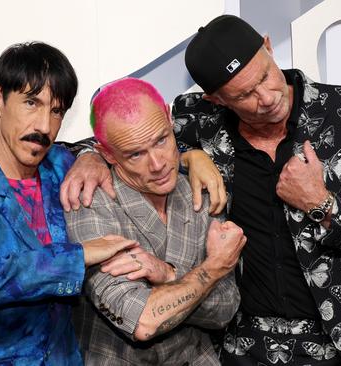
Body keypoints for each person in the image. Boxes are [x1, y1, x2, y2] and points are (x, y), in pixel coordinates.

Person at [61, 15, 341, 366]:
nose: (266, 98)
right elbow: (128, 141)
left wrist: (324, 205)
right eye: (244, 95)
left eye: (266, 76)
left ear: (268, 47)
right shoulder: (197, 122)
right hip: (240, 348)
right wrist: (91, 157)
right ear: (216, 100)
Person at [0, 42, 138, 365]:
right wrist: (77, 257)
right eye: (31, 103)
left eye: (56, 111)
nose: (44, 126)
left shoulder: (63, 166)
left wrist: (192, 158)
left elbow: (138, 157)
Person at [66, 77, 245, 365]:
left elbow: (227, 308)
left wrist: (169, 275)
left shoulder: (200, 191)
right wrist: (213, 268)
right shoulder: (89, 201)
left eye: (161, 140)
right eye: (136, 154)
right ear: (106, 154)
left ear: (169, 117)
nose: (159, 164)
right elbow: (142, 319)